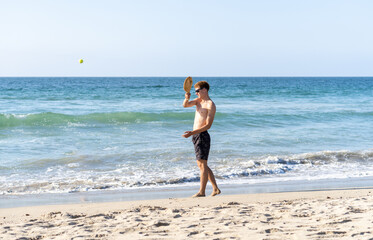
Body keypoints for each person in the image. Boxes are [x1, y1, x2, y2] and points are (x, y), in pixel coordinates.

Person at [182, 80, 221, 197]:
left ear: (205, 90)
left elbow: (208, 125)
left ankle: (202, 192)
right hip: (195, 135)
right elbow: (185, 105)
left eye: (198, 91)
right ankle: (215, 188)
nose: (196, 93)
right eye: (195, 91)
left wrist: (193, 132)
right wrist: (186, 97)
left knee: (202, 165)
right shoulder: (198, 101)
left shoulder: (210, 104)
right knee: (201, 164)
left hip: (202, 135)